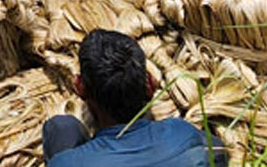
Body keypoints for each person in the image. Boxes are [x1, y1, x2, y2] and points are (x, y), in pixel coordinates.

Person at [43, 29, 227, 167]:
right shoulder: (181, 133)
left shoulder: (66, 163)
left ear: (79, 88)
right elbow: (219, 152)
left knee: (60, 127)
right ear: (151, 85)